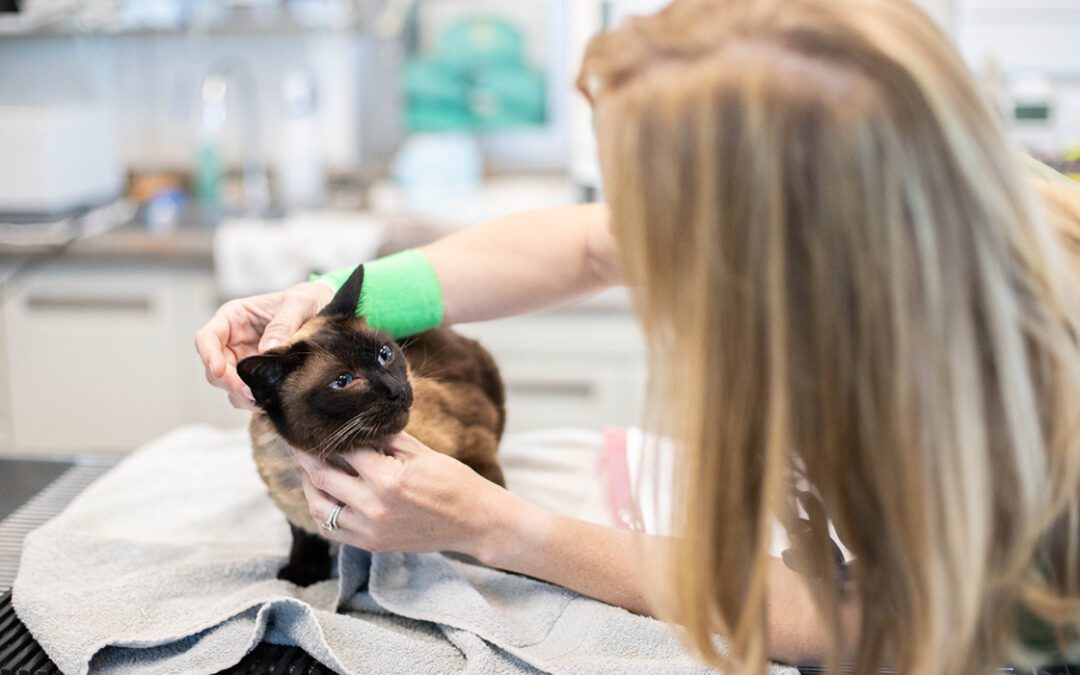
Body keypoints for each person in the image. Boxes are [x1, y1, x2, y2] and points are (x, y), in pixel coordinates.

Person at [197, 0, 1080, 671]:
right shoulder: (918, 182)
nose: (635, 235)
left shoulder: (983, 387)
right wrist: (337, 298)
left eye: (653, 204)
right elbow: (586, 244)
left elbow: (859, 621)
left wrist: (500, 526)